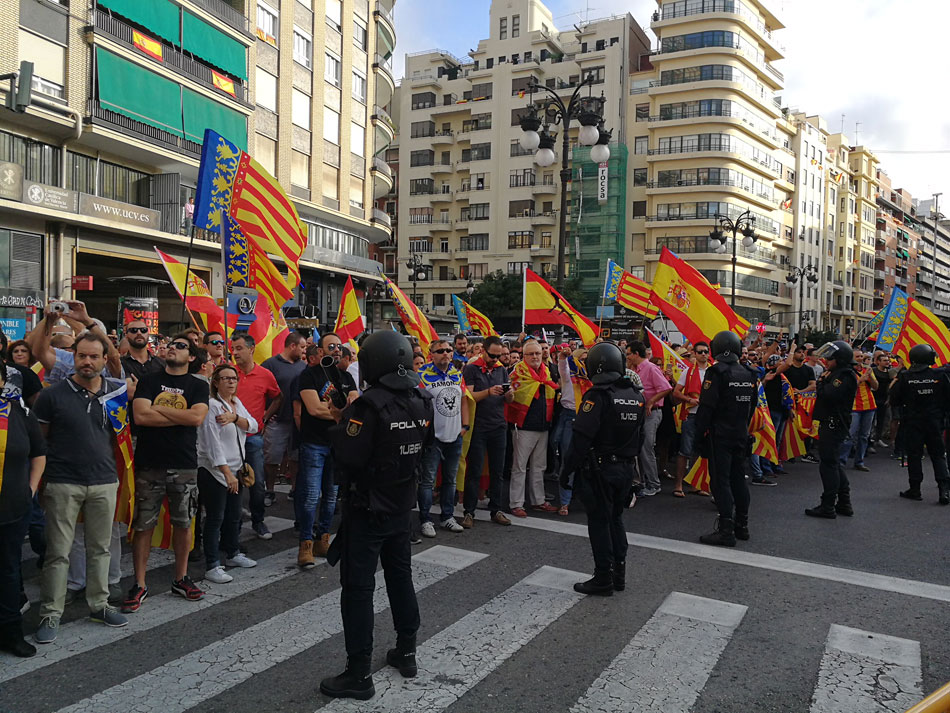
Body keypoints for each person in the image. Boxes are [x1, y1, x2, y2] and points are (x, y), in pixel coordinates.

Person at [319, 331, 434, 700]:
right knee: (401, 578)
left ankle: (358, 673)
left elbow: (349, 458)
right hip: (402, 504)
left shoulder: (367, 407)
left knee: (358, 590)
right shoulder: (420, 398)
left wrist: (340, 418)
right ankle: (407, 651)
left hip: (367, 510)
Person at [33, 333, 128, 644]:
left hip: (104, 482)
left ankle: (99, 605)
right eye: (81, 356)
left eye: (93, 356)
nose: (87, 362)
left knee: (100, 549)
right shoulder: (52, 395)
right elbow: (40, 441)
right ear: (73, 357)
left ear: (104, 360)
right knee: (58, 553)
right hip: (63, 483)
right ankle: (50, 612)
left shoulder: (115, 393)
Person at [124, 335, 209, 611]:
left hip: (184, 464)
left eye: (181, 346)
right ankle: (139, 583)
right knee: (143, 525)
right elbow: (140, 417)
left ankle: (181, 577)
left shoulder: (198, 385)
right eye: (172, 344)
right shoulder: (149, 379)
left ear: (192, 357)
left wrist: (157, 408)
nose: (173, 347)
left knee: (184, 523)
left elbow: (196, 418)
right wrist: (177, 414)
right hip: (150, 463)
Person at [560, 342, 644, 595]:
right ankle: (619, 574)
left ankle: (603, 577)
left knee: (598, 522)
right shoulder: (636, 395)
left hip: (599, 470)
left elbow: (581, 438)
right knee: (616, 520)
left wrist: (567, 472)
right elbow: (639, 438)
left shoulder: (597, 395)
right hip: (625, 469)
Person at [294, 332, 358, 567]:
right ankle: (305, 544)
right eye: (331, 346)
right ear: (320, 351)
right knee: (311, 496)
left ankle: (323, 539)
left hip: (337, 445)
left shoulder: (346, 377)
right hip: (314, 443)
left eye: (339, 346)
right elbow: (313, 409)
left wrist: (333, 409)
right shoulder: (308, 375)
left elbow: (354, 403)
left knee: (331, 497)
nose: (337, 349)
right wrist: (339, 411)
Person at [691, 332, 758, 547]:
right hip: (740, 432)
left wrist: (699, 435)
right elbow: (752, 406)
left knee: (721, 482)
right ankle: (742, 525)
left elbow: (707, 407)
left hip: (720, 434)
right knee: (739, 479)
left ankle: (726, 529)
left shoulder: (716, 372)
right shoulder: (749, 373)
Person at [197, 364, 259, 583]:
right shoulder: (212, 406)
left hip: (236, 469)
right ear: (216, 382)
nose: (231, 382)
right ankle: (212, 564)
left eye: (234, 378)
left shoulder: (235, 404)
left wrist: (235, 419)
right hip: (216, 471)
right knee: (215, 518)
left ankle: (233, 553)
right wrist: (226, 473)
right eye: (225, 378)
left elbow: (253, 425)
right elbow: (211, 443)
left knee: (234, 516)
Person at [0, 366, 46, 657]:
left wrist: (30, 490)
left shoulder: (21, 413)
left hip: (12, 509)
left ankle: (10, 632)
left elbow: (38, 454)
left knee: (8, 571)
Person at [460, 335, 515, 528]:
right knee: (474, 470)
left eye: (499, 355)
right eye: (493, 355)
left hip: (499, 425)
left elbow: (508, 400)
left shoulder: (501, 369)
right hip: (479, 426)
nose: (496, 359)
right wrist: (489, 392)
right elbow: (468, 396)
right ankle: (469, 511)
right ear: (483, 350)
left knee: (497, 471)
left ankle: (496, 509)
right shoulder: (472, 368)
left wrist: (509, 395)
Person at [232, 332, 282, 540]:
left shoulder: (265, 375)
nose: (235, 353)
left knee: (257, 483)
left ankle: (258, 521)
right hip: (230, 438)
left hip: (253, 437)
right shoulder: (227, 373)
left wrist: (266, 415)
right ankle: (232, 526)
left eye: (239, 348)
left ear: (251, 349)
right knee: (232, 484)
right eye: (233, 349)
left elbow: (278, 397)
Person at [417, 339, 468, 536]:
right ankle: (425, 519)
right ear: (431, 354)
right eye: (440, 351)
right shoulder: (422, 375)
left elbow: (464, 399)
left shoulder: (457, 373)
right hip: (433, 438)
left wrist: (465, 426)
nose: (445, 353)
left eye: (448, 350)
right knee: (428, 481)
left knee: (450, 480)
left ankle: (448, 516)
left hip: (455, 436)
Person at [888, 344, 950, 505]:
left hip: (913, 421)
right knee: (938, 455)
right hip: (934, 421)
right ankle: (944, 490)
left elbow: (894, 399)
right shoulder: (940, 374)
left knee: (914, 455)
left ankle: (915, 489)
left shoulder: (905, 376)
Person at [806, 341, 858, 519]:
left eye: (830, 358)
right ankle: (844, 502)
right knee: (834, 463)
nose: (826, 361)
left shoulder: (844, 375)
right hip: (830, 422)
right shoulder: (838, 373)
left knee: (828, 465)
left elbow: (829, 394)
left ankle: (828, 505)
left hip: (834, 423)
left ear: (840, 359)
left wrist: (821, 382)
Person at [507, 339, 558, 517]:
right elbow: (512, 398)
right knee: (519, 467)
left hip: (543, 425)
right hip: (523, 426)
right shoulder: (516, 372)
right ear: (524, 356)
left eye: (538, 353)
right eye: (531, 354)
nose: (535, 356)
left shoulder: (547, 371)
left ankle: (538, 500)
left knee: (539, 466)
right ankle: (516, 503)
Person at [261, 332, 307, 506]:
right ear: (292, 346)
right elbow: (262, 389)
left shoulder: (303, 367)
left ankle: (294, 489)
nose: (304, 352)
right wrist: (265, 411)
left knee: (296, 458)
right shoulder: (270, 365)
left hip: (297, 422)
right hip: (277, 421)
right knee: (271, 458)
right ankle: (269, 489)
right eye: (302, 347)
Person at [625, 342, 671, 497]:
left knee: (646, 448)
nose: (627, 356)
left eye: (629, 353)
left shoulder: (650, 368)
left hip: (652, 413)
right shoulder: (635, 369)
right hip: (641, 412)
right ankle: (642, 482)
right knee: (639, 448)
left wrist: (651, 402)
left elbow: (666, 388)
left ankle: (653, 484)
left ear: (636, 354)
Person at [672, 341, 710, 497]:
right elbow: (676, 392)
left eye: (705, 351)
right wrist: (689, 400)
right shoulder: (688, 372)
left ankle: (695, 483)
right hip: (691, 414)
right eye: (700, 352)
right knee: (685, 450)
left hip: (707, 416)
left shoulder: (713, 372)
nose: (703, 354)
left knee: (700, 451)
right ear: (694, 353)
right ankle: (679, 484)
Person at [840, 350, 878, 472]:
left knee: (864, 436)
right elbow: (845, 387)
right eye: (858, 356)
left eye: (862, 356)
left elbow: (876, 387)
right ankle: (841, 460)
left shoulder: (868, 369)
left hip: (869, 405)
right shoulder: (847, 371)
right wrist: (860, 379)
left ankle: (859, 461)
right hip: (854, 407)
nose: (860, 358)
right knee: (850, 435)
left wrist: (870, 378)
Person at [119, 320, 164, 388]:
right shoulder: (120, 364)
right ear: (126, 336)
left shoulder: (162, 364)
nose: (139, 333)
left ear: (148, 335)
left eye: (143, 330)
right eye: (134, 330)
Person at [870, 351, 895, 447]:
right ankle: (870, 440)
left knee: (881, 420)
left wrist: (889, 398)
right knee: (871, 421)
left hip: (883, 399)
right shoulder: (873, 371)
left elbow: (890, 387)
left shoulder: (889, 373)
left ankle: (878, 438)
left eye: (888, 361)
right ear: (878, 362)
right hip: (873, 398)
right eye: (884, 360)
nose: (887, 362)